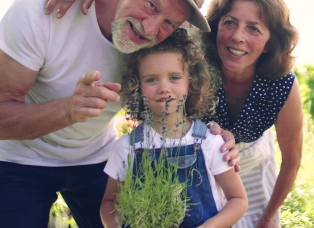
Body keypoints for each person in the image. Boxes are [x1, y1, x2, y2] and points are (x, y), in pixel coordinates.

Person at [0, 0, 239, 228]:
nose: (150, 30)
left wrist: (217, 133)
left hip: (98, 160)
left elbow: (190, 88)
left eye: (168, 22)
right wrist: (68, 110)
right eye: (151, 5)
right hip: (19, 161)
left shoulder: (165, 39)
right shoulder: (40, 9)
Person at [47, 0, 304, 228]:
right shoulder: (192, 60)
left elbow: (291, 161)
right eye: (229, 23)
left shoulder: (280, 85)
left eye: (253, 29)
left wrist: (268, 217)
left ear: (271, 42)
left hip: (251, 159)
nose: (237, 36)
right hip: (198, 157)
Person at [101, 28, 247, 228]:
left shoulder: (210, 142)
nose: (164, 87)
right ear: (138, 86)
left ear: (191, 82)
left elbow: (238, 199)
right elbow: (110, 203)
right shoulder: (127, 147)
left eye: (174, 77)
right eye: (151, 79)